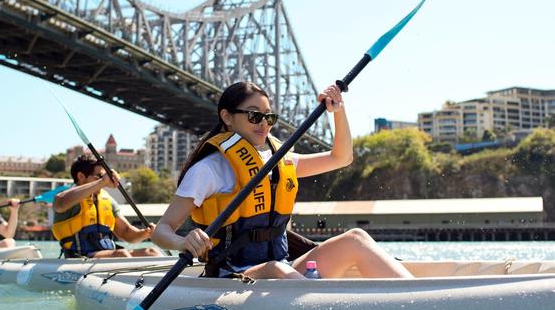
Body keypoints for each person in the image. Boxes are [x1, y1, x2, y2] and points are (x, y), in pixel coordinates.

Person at [152, 81, 413, 279]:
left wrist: (337, 111)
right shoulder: (209, 170)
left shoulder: (278, 162)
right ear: (227, 117)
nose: (263, 124)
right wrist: (183, 242)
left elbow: (341, 158)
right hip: (231, 277)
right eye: (254, 115)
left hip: (283, 269)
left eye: (269, 117)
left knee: (355, 238)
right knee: (277, 269)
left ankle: (415, 299)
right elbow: (161, 231)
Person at [52, 154, 162, 258]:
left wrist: (146, 233)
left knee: (152, 253)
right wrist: (102, 181)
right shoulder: (68, 197)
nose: (105, 179)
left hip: (108, 255)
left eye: (105, 176)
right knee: (121, 255)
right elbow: (59, 204)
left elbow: (126, 232)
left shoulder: (107, 200)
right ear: (81, 176)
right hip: (79, 257)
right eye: (99, 176)